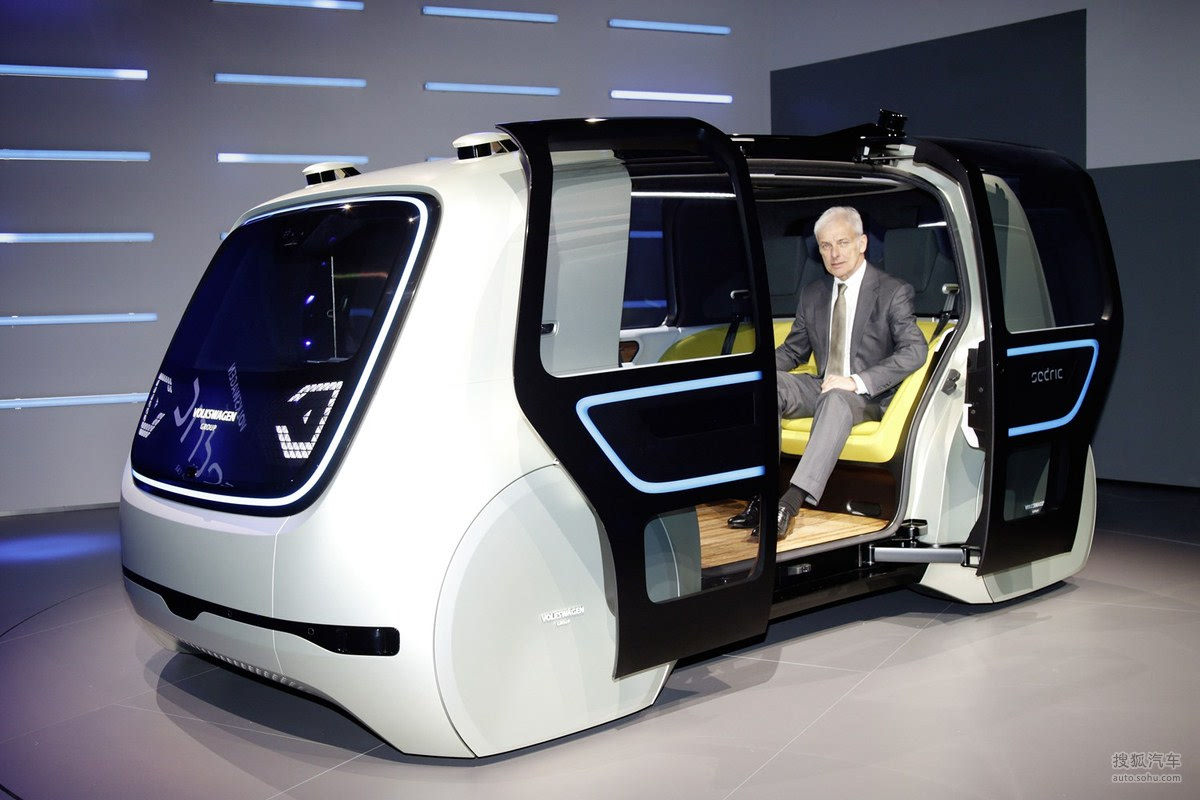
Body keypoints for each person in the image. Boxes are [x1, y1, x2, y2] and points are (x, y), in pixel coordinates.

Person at [728, 206, 927, 540]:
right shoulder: (814, 294)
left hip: (866, 395)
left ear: (862, 243)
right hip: (822, 385)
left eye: (842, 243)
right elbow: (793, 351)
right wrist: (751, 373)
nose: (834, 254)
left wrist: (856, 381)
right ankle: (762, 495)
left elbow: (915, 350)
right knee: (766, 387)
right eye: (825, 246)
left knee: (835, 397)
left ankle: (788, 504)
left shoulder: (893, 291)